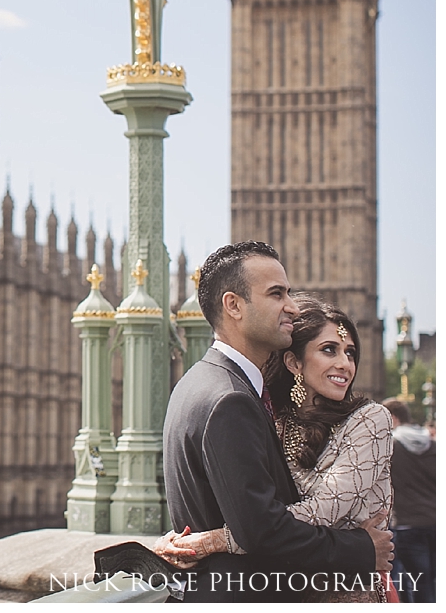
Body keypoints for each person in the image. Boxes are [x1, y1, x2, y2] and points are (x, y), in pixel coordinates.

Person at [160, 241, 392, 601]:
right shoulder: (231, 399)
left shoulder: (198, 384)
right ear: (233, 305)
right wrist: (362, 550)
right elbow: (262, 531)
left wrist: (202, 539)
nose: (292, 306)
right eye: (276, 293)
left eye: (350, 352)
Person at [382, 397, 435, 602]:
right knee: (433, 580)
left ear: (393, 418)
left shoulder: (391, 447)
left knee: (416, 583)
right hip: (435, 520)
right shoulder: (432, 444)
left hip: (407, 524)